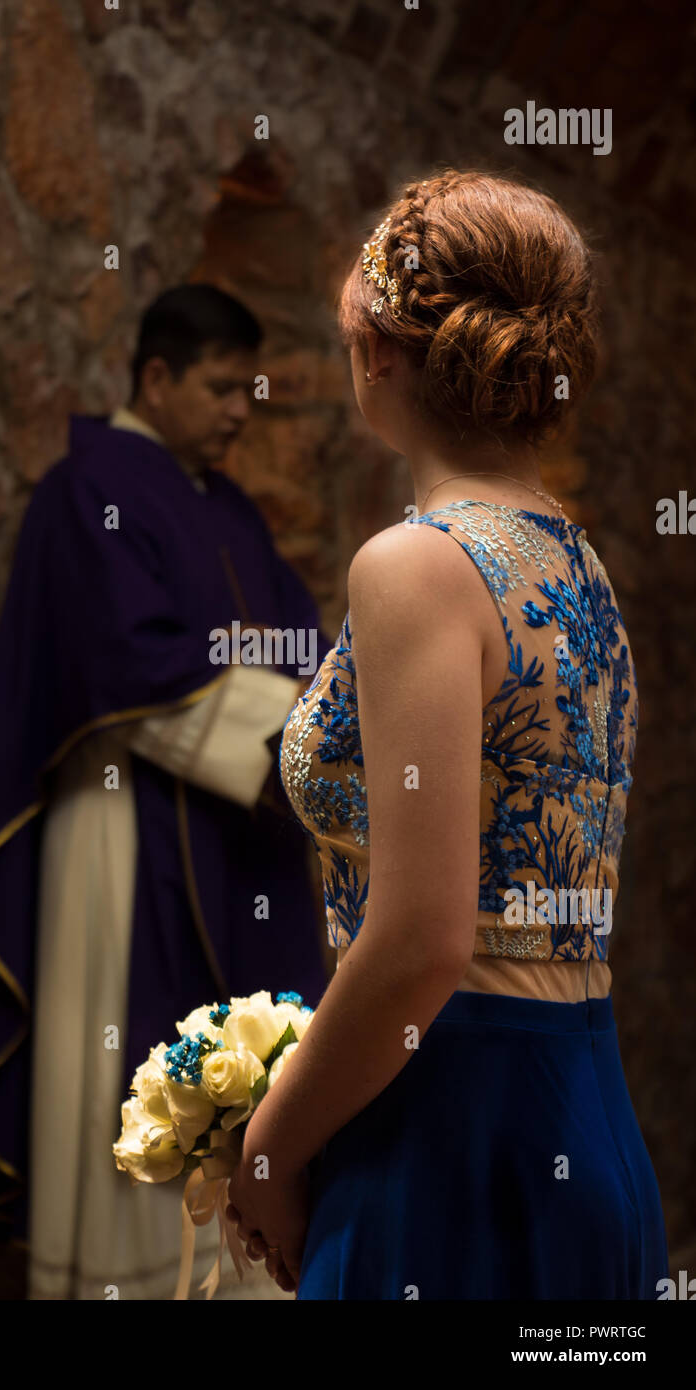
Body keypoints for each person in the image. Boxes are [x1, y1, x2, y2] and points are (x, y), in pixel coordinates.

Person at [226, 168, 669, 1299]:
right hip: (580, 1115)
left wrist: (268, 1140)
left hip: (446, 1131)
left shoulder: (415, 564)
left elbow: (422, 938)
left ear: (375, 350)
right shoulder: (580, 568)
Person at [0, 284, 328, 1299]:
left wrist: (328, 726)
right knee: (125, 1052)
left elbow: (307, 653)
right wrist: (306, 745)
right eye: (218, 386)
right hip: (122, 827)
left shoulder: (230, 508)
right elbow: (130, 664)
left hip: (232, 822)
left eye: (248, 388)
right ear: (154, 378)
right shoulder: (90, 489)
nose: (240, 410)